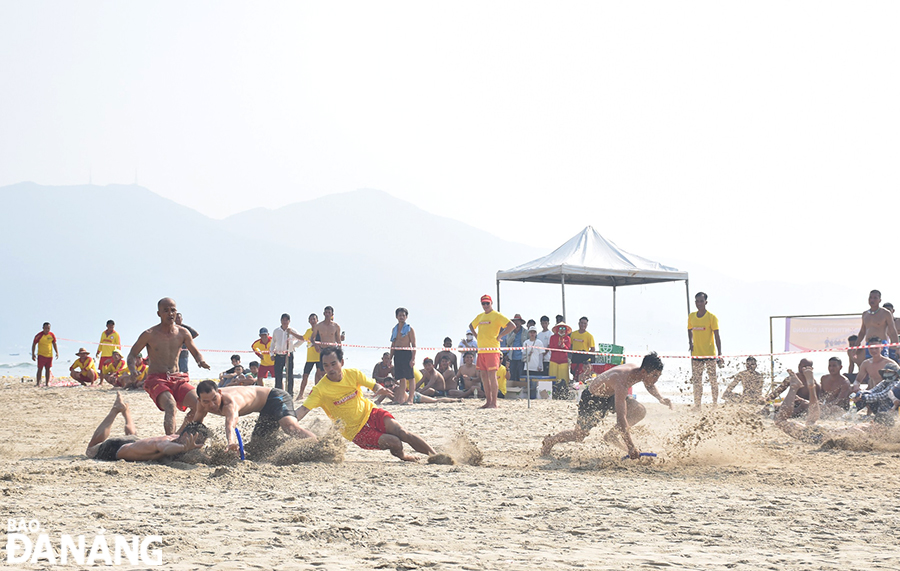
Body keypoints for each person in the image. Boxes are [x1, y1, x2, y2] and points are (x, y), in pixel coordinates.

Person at [295, 346, 439, 461]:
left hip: (372, 413)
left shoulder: (353, 374)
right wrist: (287, 421)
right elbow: (302, 410)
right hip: (356, 431)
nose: (330, 369)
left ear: (342, 363)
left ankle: (436, 456)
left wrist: (379, 389)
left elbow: (372, 385)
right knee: (395, 442)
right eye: (326, 366)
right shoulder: (320, 389)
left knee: (403, 433)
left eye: (334, 364)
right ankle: (403, 456)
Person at [541, 352, 672, 457]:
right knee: (579, 435)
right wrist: (631, 446)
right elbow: (621, 418)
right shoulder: (622, 380)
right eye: (655, 375)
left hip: (610, 395)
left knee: (639, 410)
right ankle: (550, 441)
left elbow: (649, 384)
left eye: (658, 376)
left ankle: (611, 435)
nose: (656, 379)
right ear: (644, 371)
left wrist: (660, 398)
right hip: (593, 399)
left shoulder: (639, 372)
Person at [127, 297, 210, 435]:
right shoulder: (149, 334)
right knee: (170, 406)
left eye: (173, 310)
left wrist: (201, 361)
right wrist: (132, 370)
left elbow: (196, 352)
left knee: (200, 405)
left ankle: (179, 435)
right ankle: (169, 441)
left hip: (177, 378)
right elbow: (132, 354)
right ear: (159, 313)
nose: (170, 314)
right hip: (156, 379)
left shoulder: (183, 333)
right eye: (166, 311)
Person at [775, 368, 890, 444]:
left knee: (811, 422)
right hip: (821, 437)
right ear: (875, 424)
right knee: (780, 421)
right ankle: (795, 387)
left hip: (823, 432)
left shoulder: (865, 426)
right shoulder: (864, 434)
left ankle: (811, 387)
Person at [193, 381, 317, 451]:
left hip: (276, 397)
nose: (212, 405)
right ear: (200, 400)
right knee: (257, 446)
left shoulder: (229, 403)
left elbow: (230, 425)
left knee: (290, 427)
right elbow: (195, 425)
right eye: (206, 402)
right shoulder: (201, 405)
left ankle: (318, 445)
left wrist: (231, 442)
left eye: (214, 399)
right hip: (264, 410)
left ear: (219, 393)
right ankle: (289, 445)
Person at [85, 393, 209, 462]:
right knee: (90, 450)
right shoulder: (166, 443)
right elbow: (166, 449)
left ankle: (126, 412)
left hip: (134, 443)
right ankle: (115, 410)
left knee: (132, 437)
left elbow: (194, 419)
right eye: (197, 441)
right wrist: (183, 447)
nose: (198, 445)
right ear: (186, 436)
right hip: (115, 449)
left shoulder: (178, 436)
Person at [469, 294, 516, 409]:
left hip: (492, 350)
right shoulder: (480, 316)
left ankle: (494, 403)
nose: (485, 305)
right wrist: (476, 336)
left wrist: (501, 335)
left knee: (492, 376)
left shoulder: (497, 315)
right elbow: (471, 325)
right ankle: (488, 401)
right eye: (483, 303)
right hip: (481, 350)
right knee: (484, 377)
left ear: (491, 303)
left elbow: (512, 325)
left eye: (487, 303)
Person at [688, 292, 723, 410]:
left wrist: (720, 354)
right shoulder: (691, 316)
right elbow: (689, 329)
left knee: (713, 379)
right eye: (697, 301)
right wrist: (690, 343)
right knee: (697, 381)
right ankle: (697, 405)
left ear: (706, 302)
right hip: (696, 354)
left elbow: (717, 336)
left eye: (701, 301)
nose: (699, 303)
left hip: (709, 354)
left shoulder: (711, 317)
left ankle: (714, 404)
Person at [857, 290, 898, 359]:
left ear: (880, 300)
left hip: (881, 343)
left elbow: (892, 331)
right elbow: (862, 331)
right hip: (869, 344)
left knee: (883, 365)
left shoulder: (886, 313)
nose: (872, 300)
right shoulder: (865, 314)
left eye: (875, 298)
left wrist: (896, 346)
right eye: (870, 298)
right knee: (869, 365)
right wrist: (856, 344)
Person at [271, 313, 304, 395]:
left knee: (289, 374)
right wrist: (271, 354)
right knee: (278, 374)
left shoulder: (292, 330)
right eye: (283, 320)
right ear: (281, 320)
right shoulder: (276, 331)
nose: (285, 322)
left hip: (288, 354)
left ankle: (290, 392)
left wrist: (293, 347)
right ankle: (278, 392)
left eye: (286, 320)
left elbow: (301, 339)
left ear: (289, 321)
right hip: (278, 354)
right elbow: (272, 343)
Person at [390, 307, 417, 405]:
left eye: (403, 315)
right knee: (401, 377)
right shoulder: (395, 329)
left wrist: (413, 358)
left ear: (406, 317)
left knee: (410, 376)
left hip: (406, 353)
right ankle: (401, 399)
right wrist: (390, 357)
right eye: (399, 315)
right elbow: (393, 344)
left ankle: (410, 399)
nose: (401, 317)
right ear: (396, 317)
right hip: (397, 353)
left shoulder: (409, 329)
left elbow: (413, 344)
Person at [31, 322, 59, 387]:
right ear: (43, 328)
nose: (47, 330)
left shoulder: (52, 335)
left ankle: (47, 383)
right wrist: (33, 354)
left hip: (49, 355)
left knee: (48, 369)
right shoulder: (39, 335)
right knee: (40, 369)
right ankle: (38, 383)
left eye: (48, 328)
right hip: (41, 355)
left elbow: (54, 343)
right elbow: (34, 344)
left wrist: (57, 352)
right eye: (45, 328)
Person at [548, 322, 572, 398]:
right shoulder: (552, 337)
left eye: (564, 328)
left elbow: (568, 349)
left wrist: (563, 346)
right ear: (557, 329)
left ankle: (564, 394)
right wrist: (557, 345)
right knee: (553, 378)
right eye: (560, 328)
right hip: (554, 360)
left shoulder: (568, 338)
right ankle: (552, 394)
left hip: (563, 361)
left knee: (564, 379)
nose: (562, 330)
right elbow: (551, 348)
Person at [503, 314, 527, 387]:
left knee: (521, 375)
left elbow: (528, 342)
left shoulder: (526, 331)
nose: (516, 323)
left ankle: (520, 391)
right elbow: (508, 342)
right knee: (512, 375)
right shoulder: (510, 331)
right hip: (512, 357)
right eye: (515, 321)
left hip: (522, 358)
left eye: (518, 321)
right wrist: (514, 334)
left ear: (521, 322)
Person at [523, 326, 546, 399]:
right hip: (528, 366)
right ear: (529, 333)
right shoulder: (526, 342)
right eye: (531, 332)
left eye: (534, 332)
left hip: (536, 366)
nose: (532, 333)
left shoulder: (539, 342)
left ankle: (535, 396)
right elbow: (523, 354)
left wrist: (540, 365)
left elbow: (541, 354)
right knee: (528, 383)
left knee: (536, 384)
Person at [570, 317, 596, 381]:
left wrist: (587, 356)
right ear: (579, 323)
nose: (583, 325)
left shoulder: (589, 336)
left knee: (583, 375)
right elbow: (570, 345)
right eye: (581, 323)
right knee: (574, 373)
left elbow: (593, 349)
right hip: (575, 356)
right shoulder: (573, 334)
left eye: (585, 323)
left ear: (587, 325)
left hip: (584, 357)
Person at [301, 314, 321, 392]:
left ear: (317, 320)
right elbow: (302, 338)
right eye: (311, 319)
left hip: (319, 356)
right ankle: (301, 394)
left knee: (318, 375)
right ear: (309, 321)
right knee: (305, 375)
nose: (312, 321)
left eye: (314, 319)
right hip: (310, 358)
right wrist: (292, 334)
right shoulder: (308, 331)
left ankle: (316, 393)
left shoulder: (321, 330)